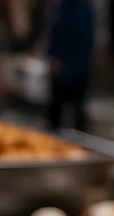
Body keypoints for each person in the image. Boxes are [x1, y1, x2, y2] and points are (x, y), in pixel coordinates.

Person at [46, 0, 96, 132]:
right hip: (67, 66)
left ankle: (77, 141)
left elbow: (88, 40)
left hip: (77, 66)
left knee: (77, 109)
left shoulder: (84, 9)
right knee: (58, 108)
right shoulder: (63, 7)